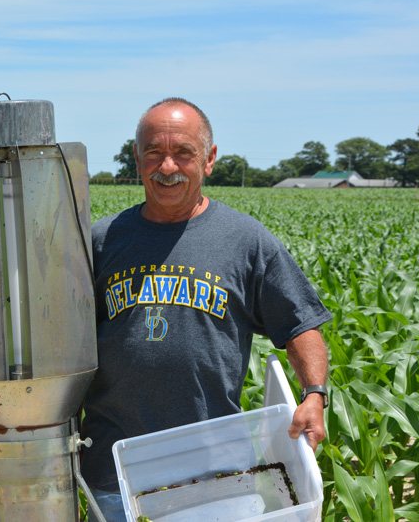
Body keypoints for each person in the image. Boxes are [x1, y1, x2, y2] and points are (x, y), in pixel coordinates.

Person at [80, 98, 331, 521]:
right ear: (137, 158)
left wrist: (315, 395)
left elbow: (300, 324)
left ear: (209, 159)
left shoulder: (245, 241)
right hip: (115, 471)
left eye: (183, 152)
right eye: (154, 152)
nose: (167, 166)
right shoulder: (101, 241)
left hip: (214, 469)